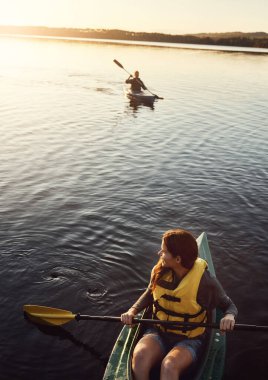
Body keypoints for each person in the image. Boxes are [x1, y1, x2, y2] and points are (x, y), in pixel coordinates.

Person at [121, 229, 237, 380]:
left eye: (164, 251)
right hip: (158, 331)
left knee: (169, 366)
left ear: (177, 259)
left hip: (189, 340)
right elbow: (150, 293)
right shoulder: (160, 271)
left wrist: (229, 316)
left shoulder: (205, 282)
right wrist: (132, 310)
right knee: (140, 357)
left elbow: (229, 306)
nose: (159, 253)